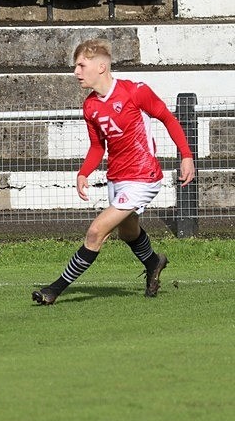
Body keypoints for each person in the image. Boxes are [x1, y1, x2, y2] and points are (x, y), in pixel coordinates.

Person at [32, 39, 195, 305]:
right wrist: (84, 172)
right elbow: (98, 146)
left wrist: (186, 156)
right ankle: (154, 262)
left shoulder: (134, 92)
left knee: (97, 232)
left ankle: (53, 290)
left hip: (142, 177)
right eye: (76, 66)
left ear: (101, 66)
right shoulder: (90, 106)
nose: (76, 72)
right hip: (117, 178)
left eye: (81, 65)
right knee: (128, 233)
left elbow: (168, 118)